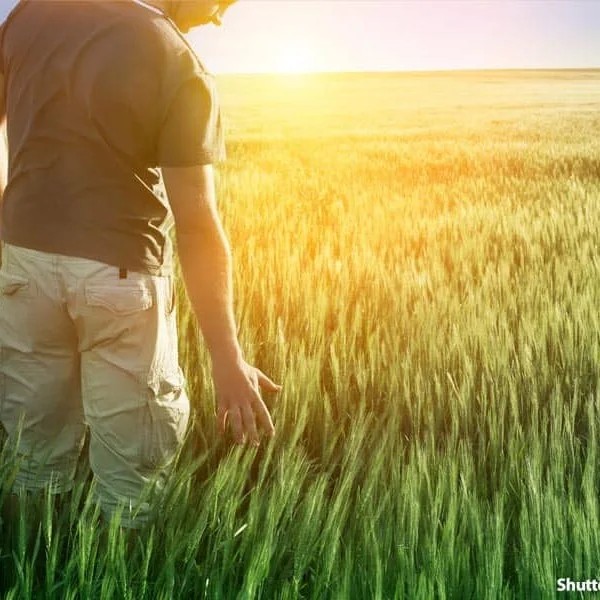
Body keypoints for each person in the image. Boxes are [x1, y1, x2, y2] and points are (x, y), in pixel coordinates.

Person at [0, 0, 280, 529]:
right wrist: (227, 358)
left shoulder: (28, 14)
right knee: (133, 485)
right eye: (219, 5)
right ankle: (116, 575)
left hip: (24, 269)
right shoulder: (177, 59)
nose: (218, 18)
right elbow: (197, 225)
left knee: (31, 460)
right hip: (121, 281)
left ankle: (30, 565)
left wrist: (13, 219)